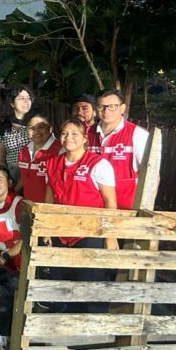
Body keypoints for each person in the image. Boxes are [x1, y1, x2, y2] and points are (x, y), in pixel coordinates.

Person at [45, 119, 118, 309]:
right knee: (61, 285)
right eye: (64, 133)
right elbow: (48, 201)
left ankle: (94, 330)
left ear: (85, 138)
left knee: (90, 288)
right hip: (60, 234)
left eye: (74, 134)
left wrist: (111, 237)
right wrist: (45, 229)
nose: (69, 138)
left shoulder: (99, 164)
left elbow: (110, 202)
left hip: (89, 233)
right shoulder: (52, 164)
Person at [87, 89, 150, 210]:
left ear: (122, 108)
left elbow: (150, 173)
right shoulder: (86, 133)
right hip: (92, 205)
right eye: (102, 106)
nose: (106, 111)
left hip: (126, 207)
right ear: (96, 108)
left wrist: (145, 206)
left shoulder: (137, 134)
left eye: (112, 107)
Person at [16, 114, 61, 203]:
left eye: (41, 127)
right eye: (31, 128)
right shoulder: (24, 150)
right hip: (29, 205)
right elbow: (24, 176)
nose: (36, 131)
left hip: (50, 208)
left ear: (50, 128)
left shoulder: (59, 151)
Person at [0, 86, 34, 181]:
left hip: (33, 171)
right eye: (21, 98)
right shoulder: (3, 127)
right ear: (12, 103)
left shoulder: (36, 124)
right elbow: (1, 158)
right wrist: (6, 177)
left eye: (28, 98)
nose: (26, 101)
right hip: (12, 173)